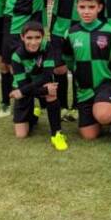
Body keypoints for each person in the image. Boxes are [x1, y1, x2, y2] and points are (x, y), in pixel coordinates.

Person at [47, 0, 100, 121]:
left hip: (81, 30)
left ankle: (78, 106)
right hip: (59, 28)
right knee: (59, 69)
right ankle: (62, 106)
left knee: (79, 69)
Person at [0, 0, 52, 117]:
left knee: (37, 64)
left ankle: (40, 104)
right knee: (16, 64)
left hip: (36, 24)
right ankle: (21, 103)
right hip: (14, 25)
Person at [61, 0, 111, 140]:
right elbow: (69, 61)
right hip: (84, 89)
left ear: (99, 7)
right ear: (76, 7)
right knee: (89, 136)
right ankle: (98, 111)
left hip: (105, 85)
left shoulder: (109, 31)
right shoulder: (70, 33)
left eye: (91, 7)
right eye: (82, 7)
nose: (86, 11)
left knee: (104, 116)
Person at [9, 21, 68, 151]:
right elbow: (23, 85)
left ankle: (57, 134)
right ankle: (33, 115)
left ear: (42, 37)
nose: (34, 42)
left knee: (51, 90)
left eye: (37, 38)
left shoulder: (48, 47)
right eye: (29, 38)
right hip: (24, 87)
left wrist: (43, 90)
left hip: (33, 86)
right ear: (22, 37)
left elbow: (47, 76)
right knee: (21, 134)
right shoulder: (17, 57)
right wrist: (40, 90)